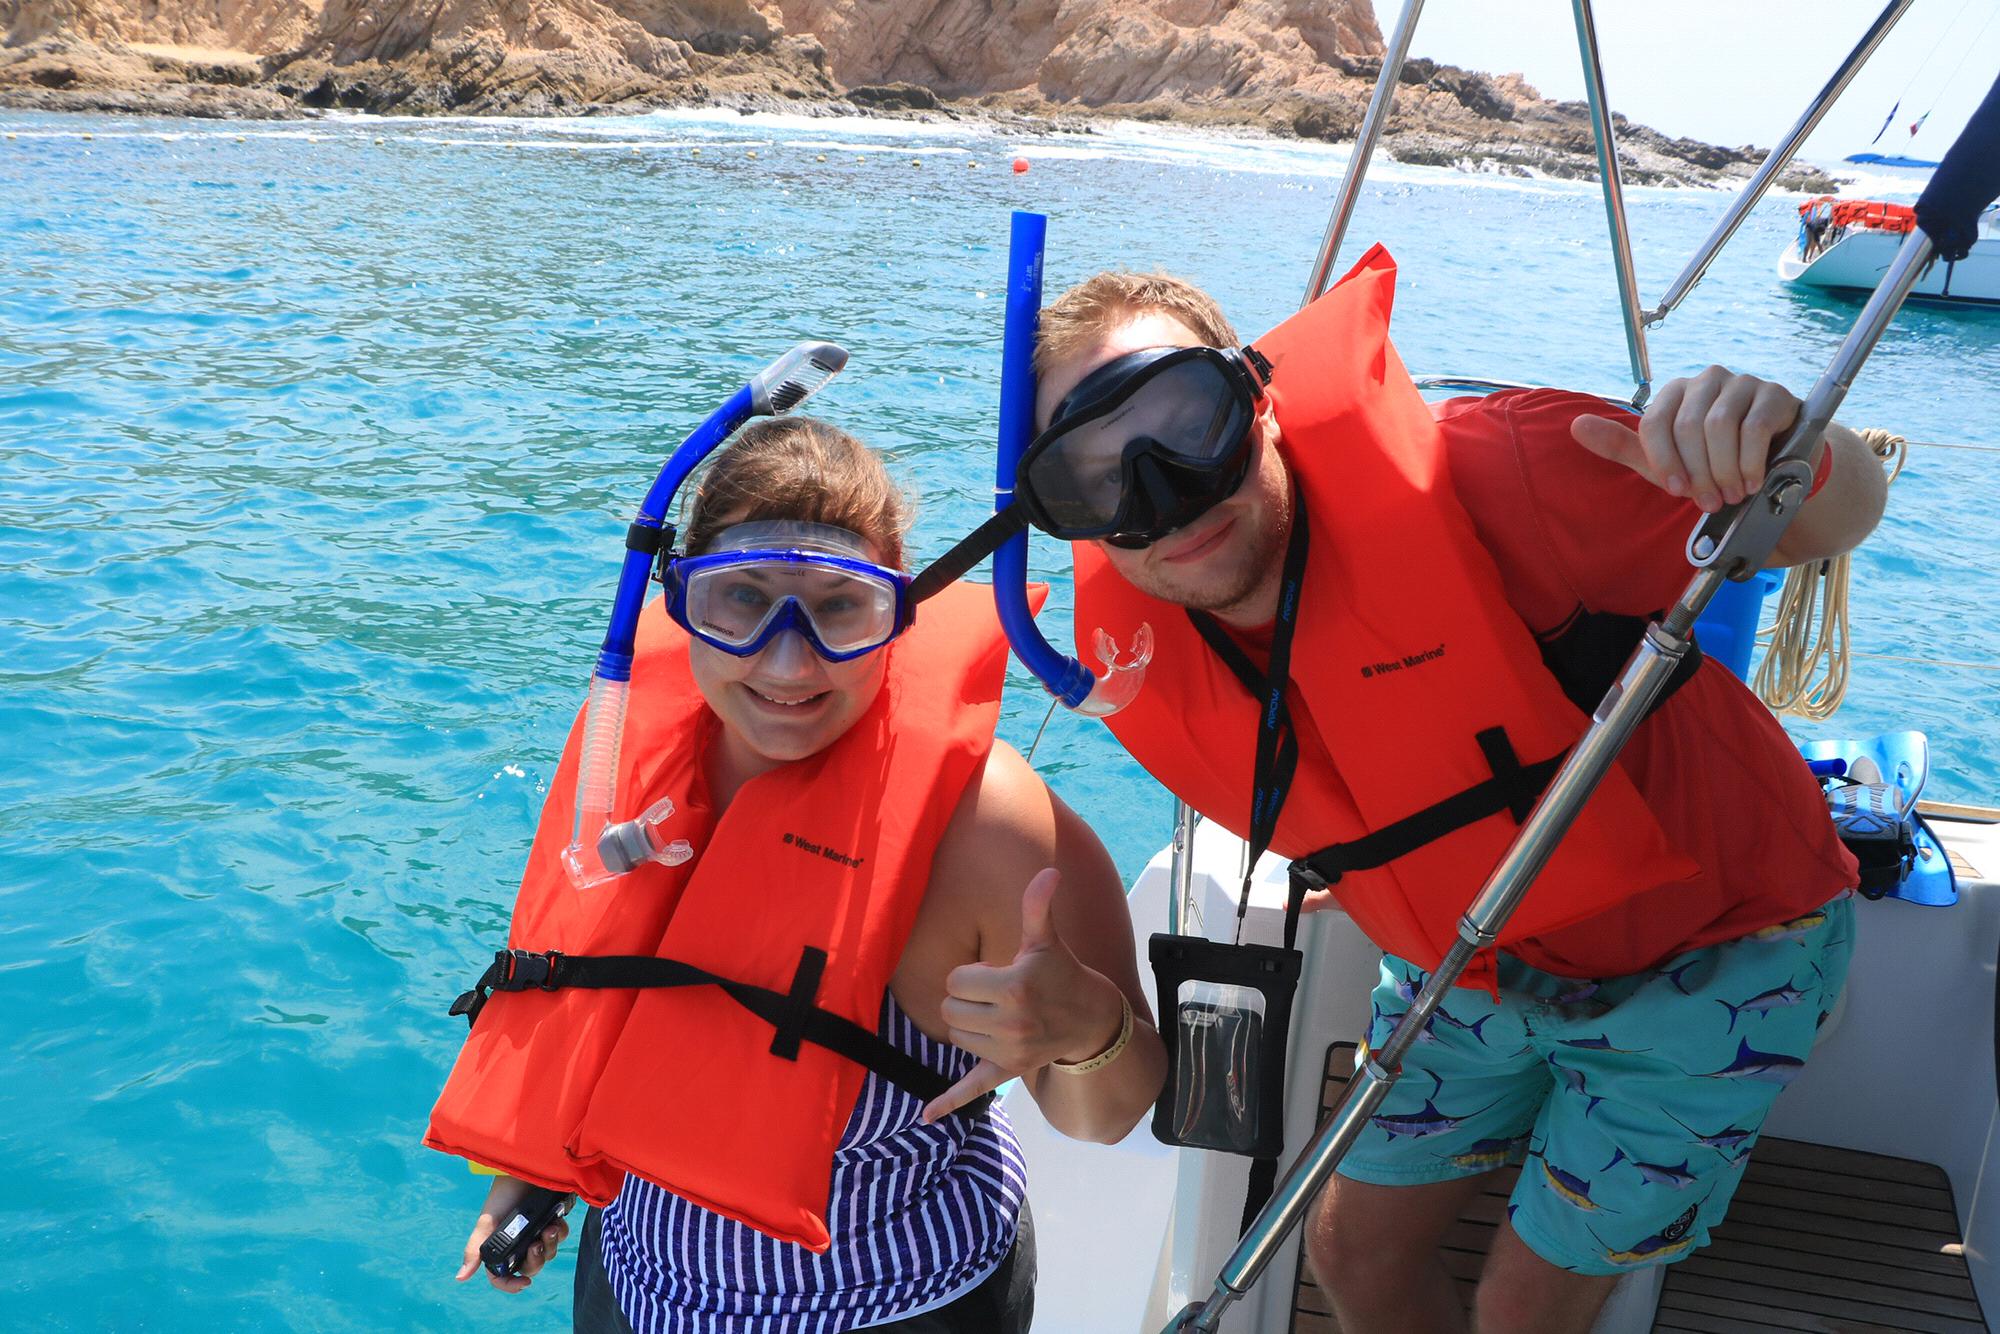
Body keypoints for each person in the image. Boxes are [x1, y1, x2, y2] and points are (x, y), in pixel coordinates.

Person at [1024, 250, 1886, 1334]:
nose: (1163, 496)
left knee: (1522, 1304)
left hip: (1719, 944)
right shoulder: (1140, 650)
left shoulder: (1502, 474)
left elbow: (1832, 513)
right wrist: (1387, 869)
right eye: (1094, 477)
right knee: (1349, 1249)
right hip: (1476, 957)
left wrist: (1785, 443)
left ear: (1256, 397)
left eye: (1182, 420)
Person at [433, 417, 1166, 1333]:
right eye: (739, 598)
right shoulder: (622, 777)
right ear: (678, 600)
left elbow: (1108, 1116)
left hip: (900, 1302)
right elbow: (604, 1001)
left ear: (898, 612)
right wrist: (541, 1172)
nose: (787, 660)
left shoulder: (986, 832)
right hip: (640, 1287)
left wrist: (1089, 1028)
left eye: (838, 606)